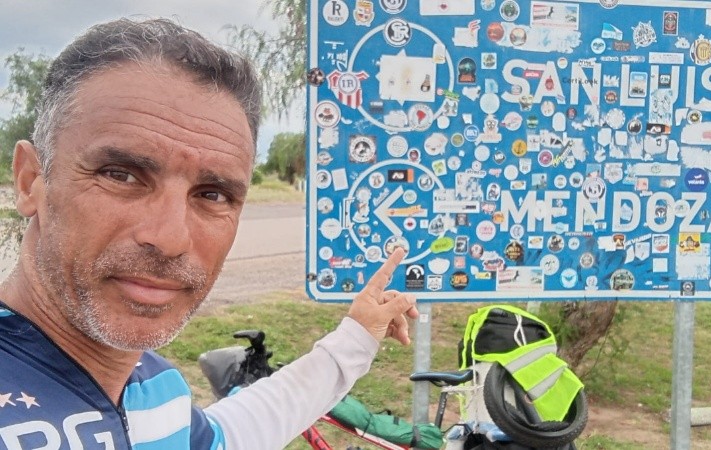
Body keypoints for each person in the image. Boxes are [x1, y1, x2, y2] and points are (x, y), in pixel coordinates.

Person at [0, 18, 418, 450]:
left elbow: (233, 432)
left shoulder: (156, 389)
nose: (171, 238)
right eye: (121, 175)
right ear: (31, 181)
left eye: (213, 194)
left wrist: (357, 336)